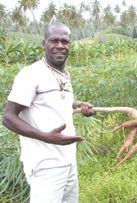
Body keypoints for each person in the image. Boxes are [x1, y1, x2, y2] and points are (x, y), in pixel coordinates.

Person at [2, 22, 94, 203]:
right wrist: (46, 137)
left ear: (70, 45)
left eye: (65, 41)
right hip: (45, 165)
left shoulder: (64, 74)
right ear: (43, 43)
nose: (60, 45)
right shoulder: (31, 74)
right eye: (54, 40)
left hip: (68, 161)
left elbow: (58, 101)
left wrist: (79, 105)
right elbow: (8, 117)